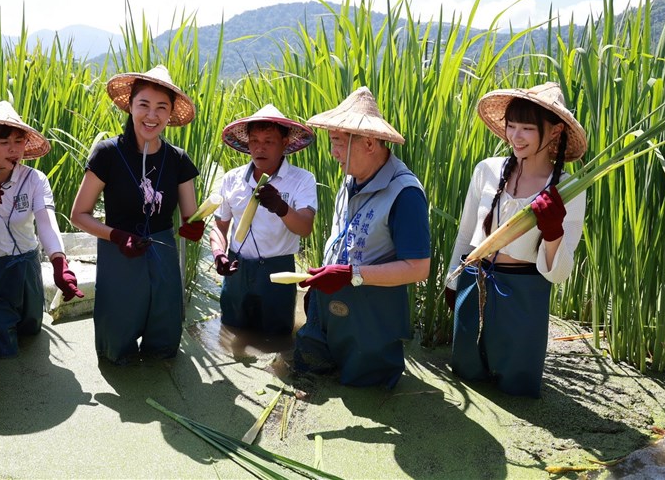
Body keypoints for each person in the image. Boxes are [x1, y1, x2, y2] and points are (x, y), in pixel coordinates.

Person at [445, 81, 588, 398]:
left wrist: (553, 232)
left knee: (518, 390)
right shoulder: (487, 170)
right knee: (467, 380)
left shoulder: (568, 189)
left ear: (554, 132)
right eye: (511, 126)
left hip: (525, 296)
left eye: (527, 128)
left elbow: (560, 272)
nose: (515, 137)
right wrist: (452, 282)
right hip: (474, 281)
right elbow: (467, 233)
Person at [293, 87, 431, 388]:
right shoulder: (350, 178)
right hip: (330, 302)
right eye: (332, 143)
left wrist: (350, 274)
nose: (334, 153)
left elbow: (418, 268)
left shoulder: (405, 194)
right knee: (307, 373)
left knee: (366, 386)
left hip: (370, 314)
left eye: (339, 144)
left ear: (369, 143)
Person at [70, 65, 205, 364]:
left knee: (164, 342)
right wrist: (117, 235)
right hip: (118, 250)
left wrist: (194, 228)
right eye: (144, 104)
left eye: (162, 108)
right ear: (130, 106)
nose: (152, 115)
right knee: (117, 347)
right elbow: (78, 214)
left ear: (170, 114)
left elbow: (190, 217)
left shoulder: (178, 159)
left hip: (163, 251)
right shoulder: (107, 154)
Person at [0, 101, 84, 358]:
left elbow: (46, 223)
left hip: (27, 267)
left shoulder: (34, 179)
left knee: (31, 332)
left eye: (19, 140)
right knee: (1, 350)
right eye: (4, 142)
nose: (14, 149)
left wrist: (59, 262)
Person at [209, 105, 317, 335]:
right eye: (255, 141)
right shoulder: (232, 179)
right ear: (247, 143)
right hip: (237, 269)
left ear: (285, 143)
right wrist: (219, 253)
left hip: (277, 271)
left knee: (277, 337)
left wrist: (280, 207)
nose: (260, 148)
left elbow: (305, 227)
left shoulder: (301, 180)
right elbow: (219, 228)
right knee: (230, 331)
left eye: (269, 141)